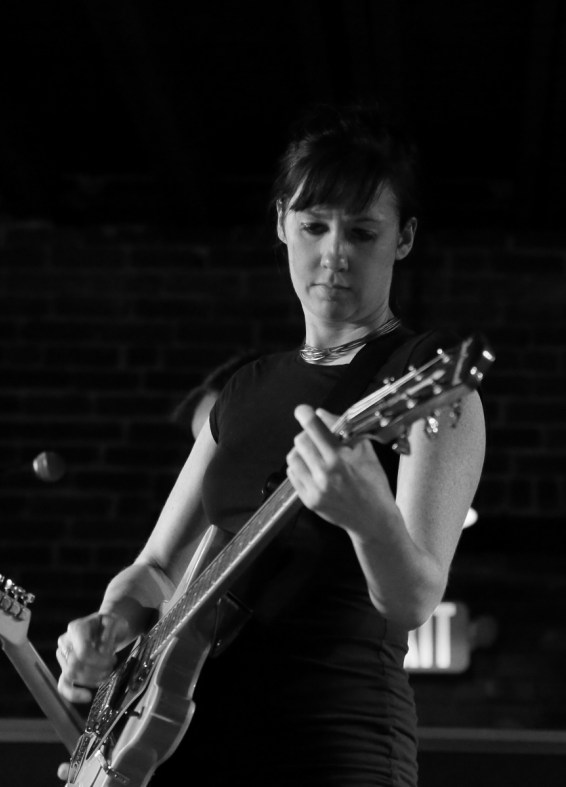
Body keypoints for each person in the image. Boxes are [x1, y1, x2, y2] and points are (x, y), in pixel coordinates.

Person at [56, 102, 485, 786]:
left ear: (404, 239)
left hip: (336, 740)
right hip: (186, 744)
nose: (335, 254)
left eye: (363, 232)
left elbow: (414, 600)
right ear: (282, 222)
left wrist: (369, 518)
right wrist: (109, 624)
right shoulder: (244, 389)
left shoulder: (426, 378)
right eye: (314, 225)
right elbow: (156, 567)